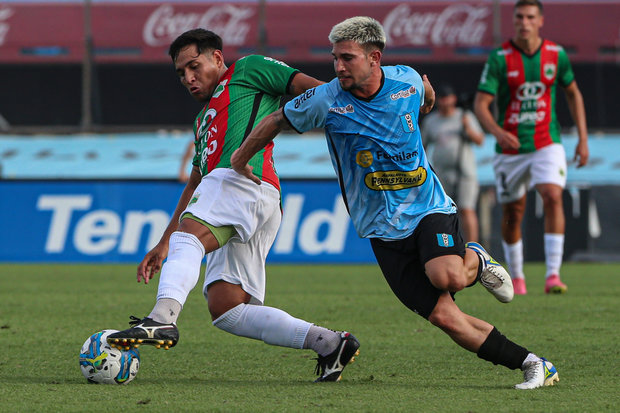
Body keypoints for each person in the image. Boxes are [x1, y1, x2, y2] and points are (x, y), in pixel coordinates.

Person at [231, 16, 559, 390]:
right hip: (380, 230)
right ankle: (534, 363)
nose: (338, 66)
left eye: (347, 58)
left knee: (446, 276)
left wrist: (429, 103)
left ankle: (475, 259)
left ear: (375, 57)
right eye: (334, 57)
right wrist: (240, 158)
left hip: (427, 207)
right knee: (447, 319)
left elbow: (427, 96)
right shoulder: (326, 99)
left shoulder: (406, 81)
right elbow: (276, 119)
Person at [107, 28, 360, 383]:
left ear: (216, 58)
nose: (189, 78)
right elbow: (197, 180)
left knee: (190, 239)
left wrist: (353, 115)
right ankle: (331, 343)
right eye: (181, 74)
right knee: (228, 309)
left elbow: (316, 89)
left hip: (243, 181)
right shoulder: (202, 121)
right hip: (255, 198)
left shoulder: (249, 69)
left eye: (194, 66)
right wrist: (166, 240)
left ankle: (163, 319)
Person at [474, 0, 589, 295]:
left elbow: (573, 93)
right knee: (513, 212)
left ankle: (553, 275)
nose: (524, 22)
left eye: (530, 17)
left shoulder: (555, 54)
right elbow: (481, 104)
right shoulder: (500, 57)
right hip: (510, 148)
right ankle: (518, 276)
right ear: (514, 20)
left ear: (540, 21)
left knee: (552, 195)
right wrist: (498, 133)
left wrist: (583, 138)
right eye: (520, 17)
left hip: (546, 141)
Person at [421, 84, 485, 242]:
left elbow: (480, 140)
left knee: (466, 209)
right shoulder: (431, 121)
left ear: (453, 99)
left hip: (465, 171)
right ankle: (449, 247)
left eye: (447, 98)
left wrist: (467, 128)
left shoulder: (464, 116)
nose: (444, 102)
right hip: (442, 172)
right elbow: (422, 146)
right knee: (444, 211)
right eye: (441, 98)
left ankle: (473, 248)